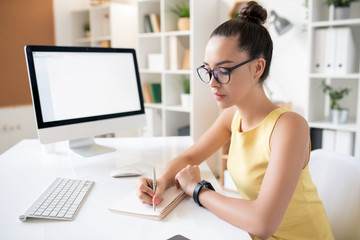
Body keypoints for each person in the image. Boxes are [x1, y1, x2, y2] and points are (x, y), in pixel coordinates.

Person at [136, 1, 334, 239]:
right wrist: (160, 182)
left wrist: (197, 190)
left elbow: (262, 223)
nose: (212, 82)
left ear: (257, 68)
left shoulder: (289, 126)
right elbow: (190, 157)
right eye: (208, 70)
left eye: (223, 71)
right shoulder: (232, 116)